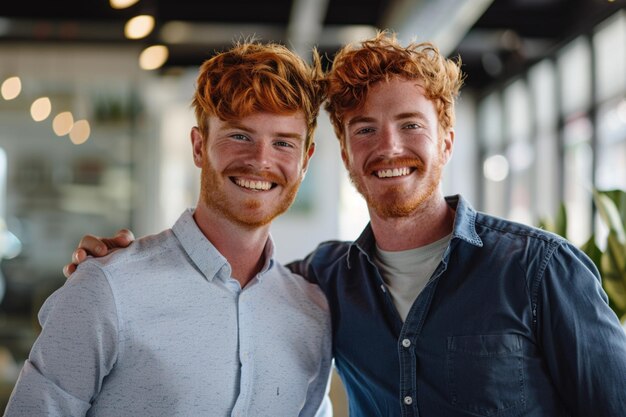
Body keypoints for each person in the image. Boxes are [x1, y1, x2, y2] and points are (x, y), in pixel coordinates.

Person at [64, 32, 626, 416]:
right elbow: (228, 288)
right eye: (364, 129)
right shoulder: (325, 280)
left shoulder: (538, 270)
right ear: (341, 151)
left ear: (447, 141)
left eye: (411, 125)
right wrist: (122, 271)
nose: (389, 148)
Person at [4, 41, 333, 416]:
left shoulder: (312, 314)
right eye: (239, 136)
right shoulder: (106, 288)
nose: (260, 160)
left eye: (283, 143)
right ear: (198, 146)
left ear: (305, 160)